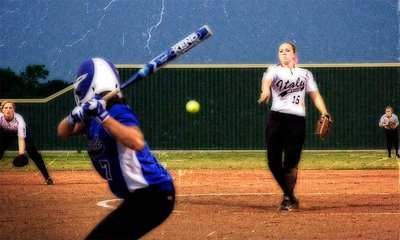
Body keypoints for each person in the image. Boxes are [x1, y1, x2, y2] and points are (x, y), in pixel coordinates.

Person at [57, 58, 175, 239]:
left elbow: (137, 142)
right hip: (141, 196)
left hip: (153, 193)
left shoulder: (118, 111)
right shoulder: (91, 117)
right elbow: (63, 132)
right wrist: (72, 117)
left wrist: (102, 115)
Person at [258, 42, 330, 211]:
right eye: (281, 51)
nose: (283, 53)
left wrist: (324, 113)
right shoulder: (273, 70)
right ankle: (290, 195)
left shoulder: (305, 74)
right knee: (273, 162)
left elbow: (315, 95)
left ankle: (286, 198)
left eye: (287, 51)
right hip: (276, 119)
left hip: (297, 121)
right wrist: (265, 90)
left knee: (291, 162)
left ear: (294, 54)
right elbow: (267, 82)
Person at [0, 100, 53, 185]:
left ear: (14, 110)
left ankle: (47, 177)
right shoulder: (0, 118)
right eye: (6, 108)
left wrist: (21, 154)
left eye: (10, 108)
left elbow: (21, 139)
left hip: (21, 133)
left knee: (34, 154)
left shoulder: (20, 121)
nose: (8, 110)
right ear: (2, 110)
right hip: (5, 133)